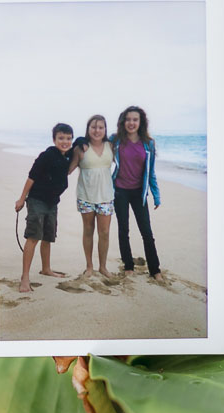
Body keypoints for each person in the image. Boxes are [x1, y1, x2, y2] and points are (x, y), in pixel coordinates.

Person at [14, 123, 73, 292]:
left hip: (52, 203)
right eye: (61, 138)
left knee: (48, 237)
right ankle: (25, 277)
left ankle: (46, 268)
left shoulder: (67, 157)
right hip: (37, 201)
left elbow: (79, 148)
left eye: (68, 138)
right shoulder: (46, 156)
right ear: (54, 139)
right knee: (33, 236)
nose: (65, 142)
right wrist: (21, 198)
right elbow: (31, 177)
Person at [110, 106, 163, 282]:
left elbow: (151, 171)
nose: (131, 123)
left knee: (146, 232)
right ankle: (128, 266)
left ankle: (155, 269)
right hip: (119, 191)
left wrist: (156, 194)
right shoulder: (115, 140)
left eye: (135, 119)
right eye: (128, 119)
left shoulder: (149, 144)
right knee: (123, 229)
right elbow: (95, 145)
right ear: (123, 121)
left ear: (141, 122)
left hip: (139, 193)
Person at [68, 115, 114, 278]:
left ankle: (103, 267)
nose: (97, 130)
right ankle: (89, 266)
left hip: (106, 197)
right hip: (85, 196)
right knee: (88, 230)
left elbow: (128, 162)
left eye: (101, 127)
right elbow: (67, 169)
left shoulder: (111, 146)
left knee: (105, 232)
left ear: (105, 130)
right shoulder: (81, 148)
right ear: (88, 129)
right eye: (93, 127)